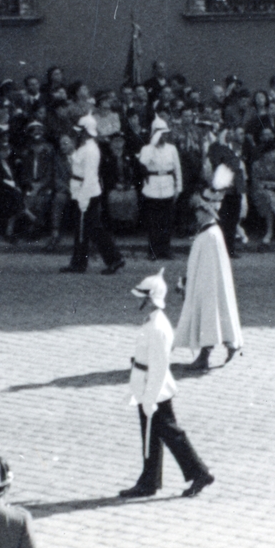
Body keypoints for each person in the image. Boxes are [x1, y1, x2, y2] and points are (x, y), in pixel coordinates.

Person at [120, 270, 215, 499]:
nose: (139, 301)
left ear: (151, 298)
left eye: (143, 297)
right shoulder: (153, 321)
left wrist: (150, 398)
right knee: (153, 434)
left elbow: (160, 367)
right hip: (147, 383)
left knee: (169, 433)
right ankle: (149, 480)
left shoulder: (158, 327)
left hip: (155, 387)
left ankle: (199, 472)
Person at [172, 172, 243, 373]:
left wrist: (192, 285)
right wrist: (187, 280)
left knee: (210, 313)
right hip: (204, 285)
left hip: (207, 289)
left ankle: (205, 355)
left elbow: (209, 274)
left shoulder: (210, 236)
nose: (195, 214)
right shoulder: (207, 233)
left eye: (198, 210)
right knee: (217, 310)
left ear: (207, 211)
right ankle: (229, 344)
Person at [60, 117, 124, 275]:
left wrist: (83, 199)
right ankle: (109, 259)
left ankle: (83, 262)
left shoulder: (89, 150)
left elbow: (89, 176)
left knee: (87, 229)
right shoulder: (86, 147)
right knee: (91, 228)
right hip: (82, 190)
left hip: (86, 192)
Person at [137, 119, 181, 261]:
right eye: (160, 134)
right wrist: (152, 145)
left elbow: (177, 169)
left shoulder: (171, 149)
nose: (163, 137)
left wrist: (179, 187)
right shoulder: (146, 149)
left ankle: (165, 249)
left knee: (167, 221)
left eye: (165, 134)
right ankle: (153, 250)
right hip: (152, 187)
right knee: (153, 221)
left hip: (168, 185)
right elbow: (143, 162)